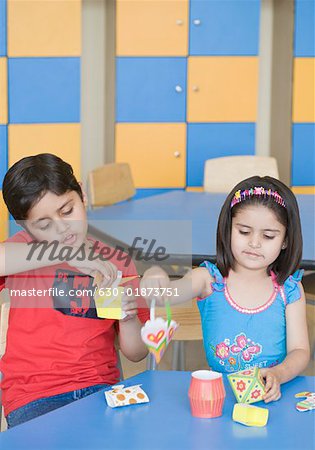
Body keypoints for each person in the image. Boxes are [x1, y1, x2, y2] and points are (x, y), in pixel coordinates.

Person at [0, 153, 148, 427]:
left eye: (67, 211)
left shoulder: (116, 261)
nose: (63, 227)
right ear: (25, 226)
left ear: (82, 195)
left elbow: (138, 353)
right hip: (34, 396)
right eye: (44, 225)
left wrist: (129, 320)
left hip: (100, 388)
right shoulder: (19, 252)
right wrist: (61, 253)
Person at [141, 176, 310, 403]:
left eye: (268, 236)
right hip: (219, 398)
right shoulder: (208, 280)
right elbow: (164, 296)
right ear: (228, 229)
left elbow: (300, 351)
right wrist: (154, 277)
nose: (254, 243)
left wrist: (279, 374)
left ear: (285, 241)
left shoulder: (288, 289)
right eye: (244, 232)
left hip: (272, 396)